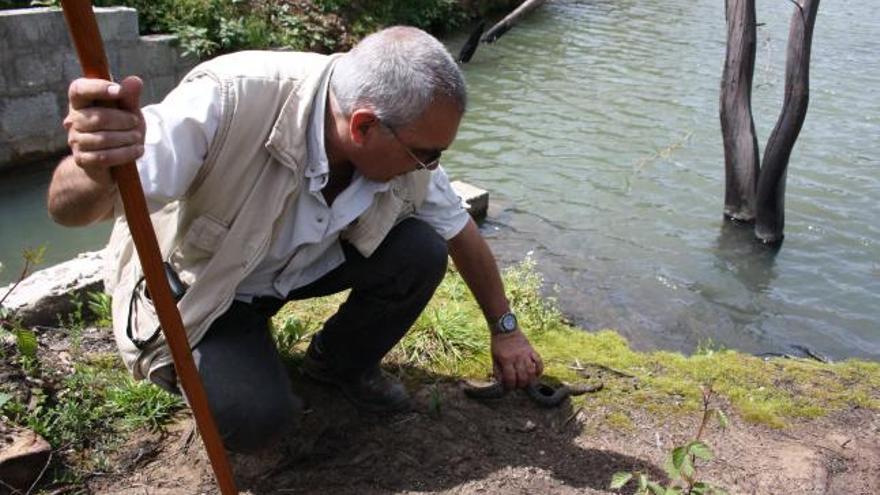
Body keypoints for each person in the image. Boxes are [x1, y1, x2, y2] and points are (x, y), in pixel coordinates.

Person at [47, 26, 543, 453]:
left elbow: (459, 231)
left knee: (421, 250)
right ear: (364, 125)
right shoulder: (227, 98)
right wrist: (94, 168)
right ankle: (219, 362)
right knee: (257, 420)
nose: (431, 167)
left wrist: (505, 328)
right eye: (426, 154)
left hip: (290, 269)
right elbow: (67, 209)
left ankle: (336, 364)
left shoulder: (396, 141)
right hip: (204, 288)